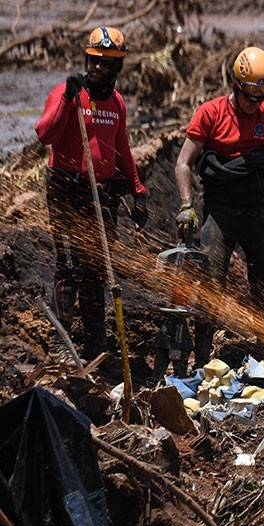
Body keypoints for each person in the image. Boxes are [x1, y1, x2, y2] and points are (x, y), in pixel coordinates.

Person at [174, 46, 264, 363]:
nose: (255, 105)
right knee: (210, 288)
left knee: (262, 288)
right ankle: (203, 358)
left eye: (261, 98)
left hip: (259, 214)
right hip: (220, 214)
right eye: (250, 98)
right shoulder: (210, 114)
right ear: (235, 85)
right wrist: (187, 205)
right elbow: (182, 163)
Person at [35, 26, 147, 358]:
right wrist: (69, 100)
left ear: (117, 68)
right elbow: (45, 134)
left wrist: (138, 190)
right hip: (65, 191)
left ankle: (96, 348)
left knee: (96, 273)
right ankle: (61, 347)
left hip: (101, 198)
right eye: (94, 61)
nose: (97, 68)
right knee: (68, 266)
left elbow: (121, 147)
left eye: (106, 63)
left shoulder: (117, 103)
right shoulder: (67, 93)